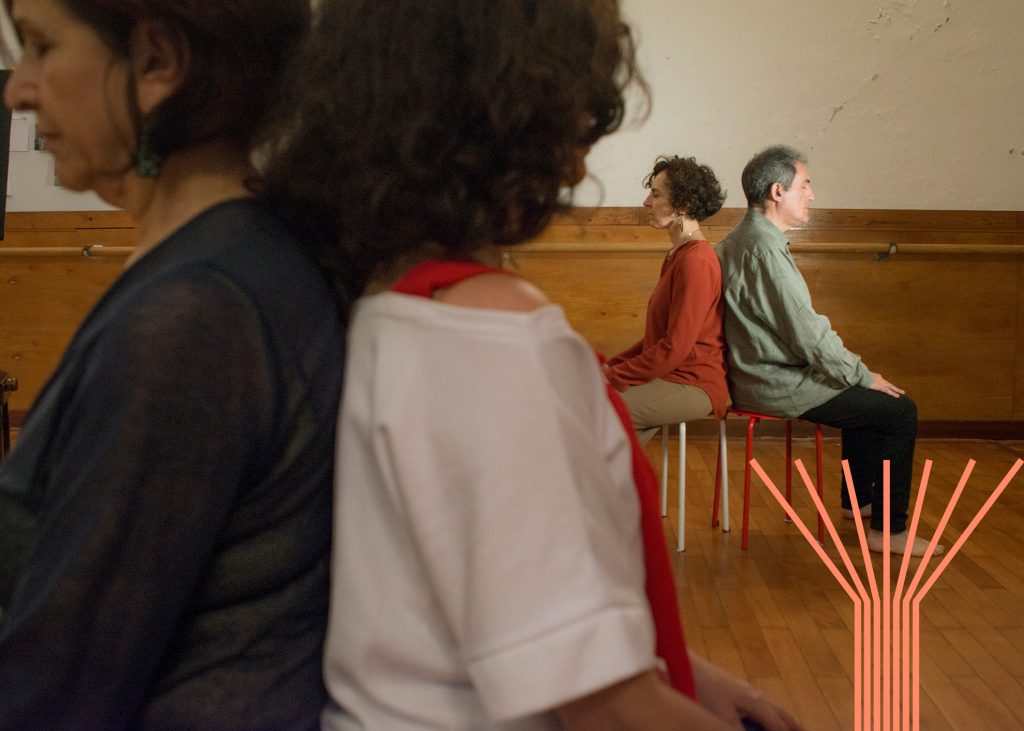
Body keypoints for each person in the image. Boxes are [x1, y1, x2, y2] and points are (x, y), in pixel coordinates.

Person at [261, 1, 802, 729]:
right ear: (521, 117)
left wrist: (686, 672)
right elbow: (607, 708)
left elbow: (493, 604)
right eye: (579, 114)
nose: (580, 156)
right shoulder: (496, 343)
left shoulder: (376, 305)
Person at [0, 2, 344, 729]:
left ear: (158, 60)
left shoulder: (198, 316)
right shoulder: (222, 257)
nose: (17, 90)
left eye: (40, 46)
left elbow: (60, 686)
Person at [716, 145, 938, 557]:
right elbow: (808, 335)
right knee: (899, 411)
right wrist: (861, 373)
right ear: (777, 191)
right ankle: (889, 531)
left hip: (756, 375)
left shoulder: (739, 239)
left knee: (860, 393)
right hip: (774, 383)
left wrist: (854, 375)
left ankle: (858, 502)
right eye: (805, 185)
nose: (812, 194)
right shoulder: (763, 249)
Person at [606, 155, 729, 446]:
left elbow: (675, 346)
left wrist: (615, 375)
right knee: (605, 431)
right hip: (671, 374)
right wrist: (613, 366)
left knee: (599, 409)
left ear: (682, 205)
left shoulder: (696, 261)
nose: (646, 202)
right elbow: (658, 339)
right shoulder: (679, 255)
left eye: (656, 194)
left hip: (692, 382)